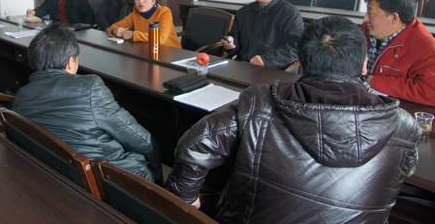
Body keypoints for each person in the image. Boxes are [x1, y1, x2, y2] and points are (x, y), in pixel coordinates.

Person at [165, 16, 421, 223]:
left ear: (300, 62)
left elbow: (194, 145)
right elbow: (404, 170)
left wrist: (186, 201)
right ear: (364, 64)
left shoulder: (259, 103)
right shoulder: (404, 126)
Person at [12, 23, 159, 182]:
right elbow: (140, 139)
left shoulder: (21, 96)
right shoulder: (90, 88)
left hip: (58, 170)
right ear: (70, 62)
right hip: (106, 180)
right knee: (147, 146)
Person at [363, 0, 435, 106]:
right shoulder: (366, 29)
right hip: (364, 99)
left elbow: (431, 92)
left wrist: (372, 81)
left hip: (396, 109)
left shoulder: (426, 47)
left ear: (394, 18)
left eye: (370, 13)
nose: (365, 19)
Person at [221, 0, 303, 69]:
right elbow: (234, 39)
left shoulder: (290, 13)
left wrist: (266, 59)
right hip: (244, 66)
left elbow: (295, 47)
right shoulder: (244, 12)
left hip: (273, 69)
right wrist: (230, 44)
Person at [107, 0, 180, 48]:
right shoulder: (135, 14)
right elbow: (113, 27)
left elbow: (161, 39)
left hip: (171, 52)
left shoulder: (164, 12)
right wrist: (115, 31)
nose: (140, 2)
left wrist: (133, 35)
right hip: (147, 50)